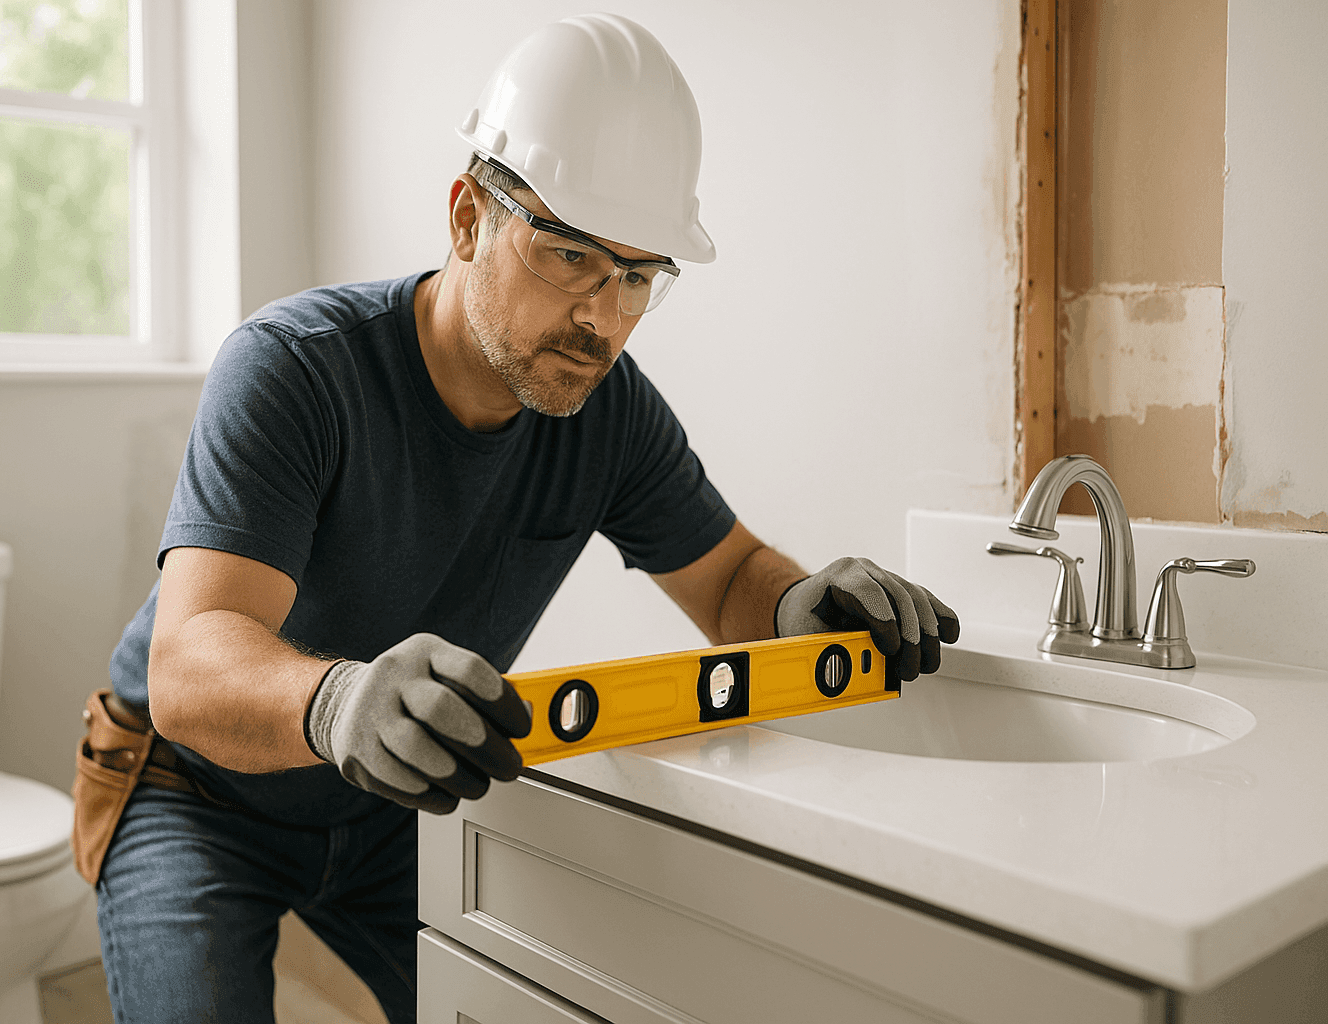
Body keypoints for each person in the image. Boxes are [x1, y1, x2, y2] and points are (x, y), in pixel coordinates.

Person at [93, 13, 958, 1024]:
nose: (604, 317)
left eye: (638, 277)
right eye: (570, 257)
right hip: (196, 793)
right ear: (469, 219)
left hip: (388, 804)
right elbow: (190, 666)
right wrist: (339, 702)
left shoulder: (604, 408)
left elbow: (728, 583)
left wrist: (801, 597)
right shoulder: (296, 367)